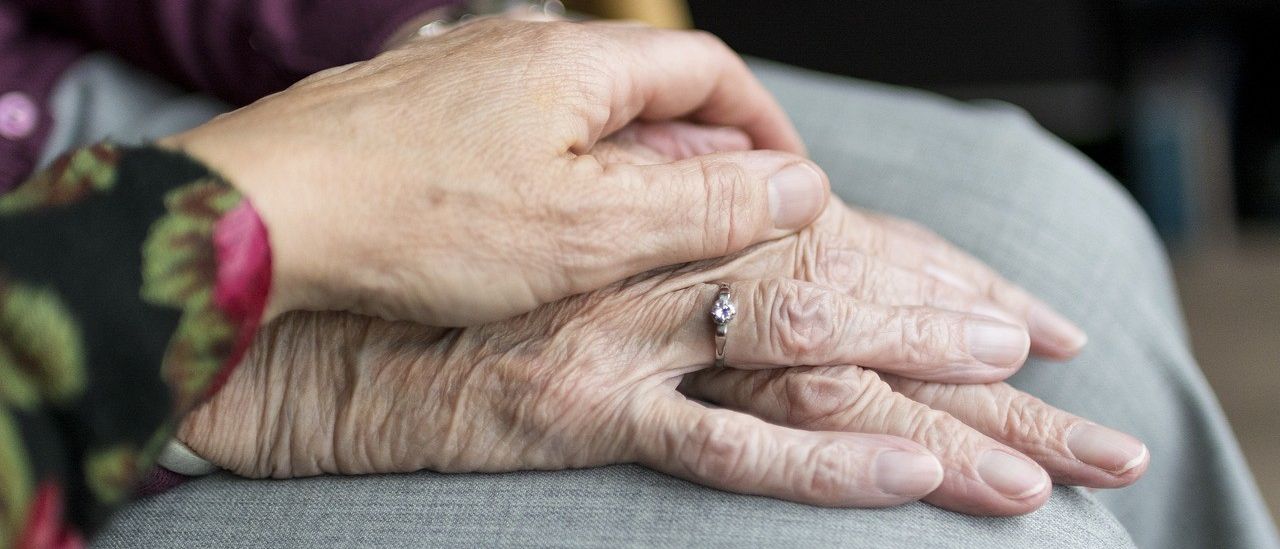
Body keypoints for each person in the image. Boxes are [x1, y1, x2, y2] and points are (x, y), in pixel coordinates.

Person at [0, 2, 1275, 549]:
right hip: (50, 377)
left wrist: (445, 57)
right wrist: (258, 357)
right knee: (961, 530)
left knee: (1051, 237)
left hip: (76, 87)